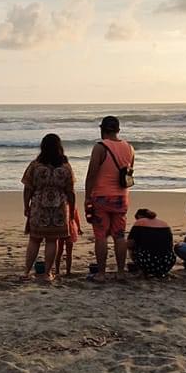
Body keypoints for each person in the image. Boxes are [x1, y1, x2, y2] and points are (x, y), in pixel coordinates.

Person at [84, 115, 134, 280]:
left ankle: (101, 273)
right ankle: (120, 272)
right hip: (121, 197)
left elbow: (91, 174)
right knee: (119, 235)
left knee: (101, 235)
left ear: (102, 129)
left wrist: (87, 197)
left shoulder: (100, 147)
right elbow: (128, 172)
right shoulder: (129, 148)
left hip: (102, 196)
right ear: (118, 130)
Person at [21, 133, 77, 281]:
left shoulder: (35, 166)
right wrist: (71, 211)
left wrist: (26, 205)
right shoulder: (65, 167)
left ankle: (26, 272)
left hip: (39, 205)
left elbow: (28, 188)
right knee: (52, 241)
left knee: (34, 240)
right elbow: (70, 191)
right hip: (58, 207)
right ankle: (47, 273)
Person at [127, 208, 176, 278]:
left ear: (139, 216)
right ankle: (162, 271)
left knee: (131, 246)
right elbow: (170, 245)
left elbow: (129, 244)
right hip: (167, 262)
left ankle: (143, 271)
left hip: (149, 262)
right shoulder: (164, 224)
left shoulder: (139, 222)